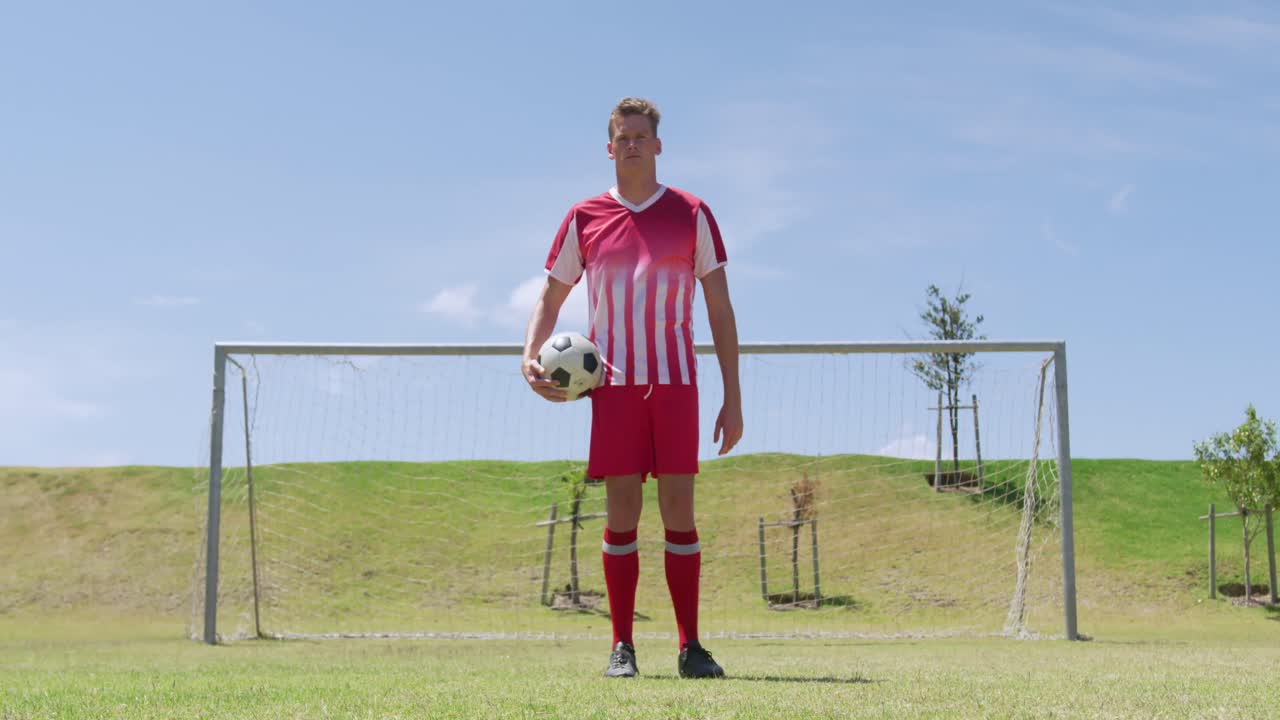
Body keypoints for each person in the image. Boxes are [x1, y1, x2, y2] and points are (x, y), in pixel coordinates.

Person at [522, 97, 743, 678]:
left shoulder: (691, 212)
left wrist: (733, 396)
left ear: (659, 144)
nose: (633, 145)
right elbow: (551, 296)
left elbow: (719, 308)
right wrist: (528, 355)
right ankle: (623, 646)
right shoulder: (584, 217)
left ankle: (691, 647)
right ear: (610, 146)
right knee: (620, 514)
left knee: (678, 513)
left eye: (642, 136)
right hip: (613, 390)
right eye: (624, 137)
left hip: (675, 385)